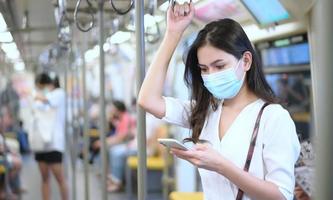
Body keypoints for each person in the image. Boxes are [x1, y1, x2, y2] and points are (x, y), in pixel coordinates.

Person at [138, 2, 300, 200]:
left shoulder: (274, 118)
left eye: (219, 66)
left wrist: (221, 166)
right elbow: (147, 99)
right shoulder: (205, 112)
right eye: (204, 69)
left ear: (246, 61)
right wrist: (172, 34)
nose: (211, 75)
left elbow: (282, 195)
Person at [32, 73, 68, 200]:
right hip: (40, 143)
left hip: (54, 144)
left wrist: (37, 96)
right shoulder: (42, 96)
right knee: (44, 178)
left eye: (39, 86)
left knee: (60, 178)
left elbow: (47, 101)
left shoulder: (59, 93)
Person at [93, 100, 136, 192]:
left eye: (112, 109)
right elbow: (111, 132)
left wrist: (103, 142)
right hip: (125, 142)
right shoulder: (119, 119)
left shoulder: (126, 118)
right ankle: (109, 175)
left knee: (114, 151)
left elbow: (120, 137)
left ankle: (117, 181)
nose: (110, 111)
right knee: (107, 149)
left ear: (117, 110)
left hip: (129, 143)